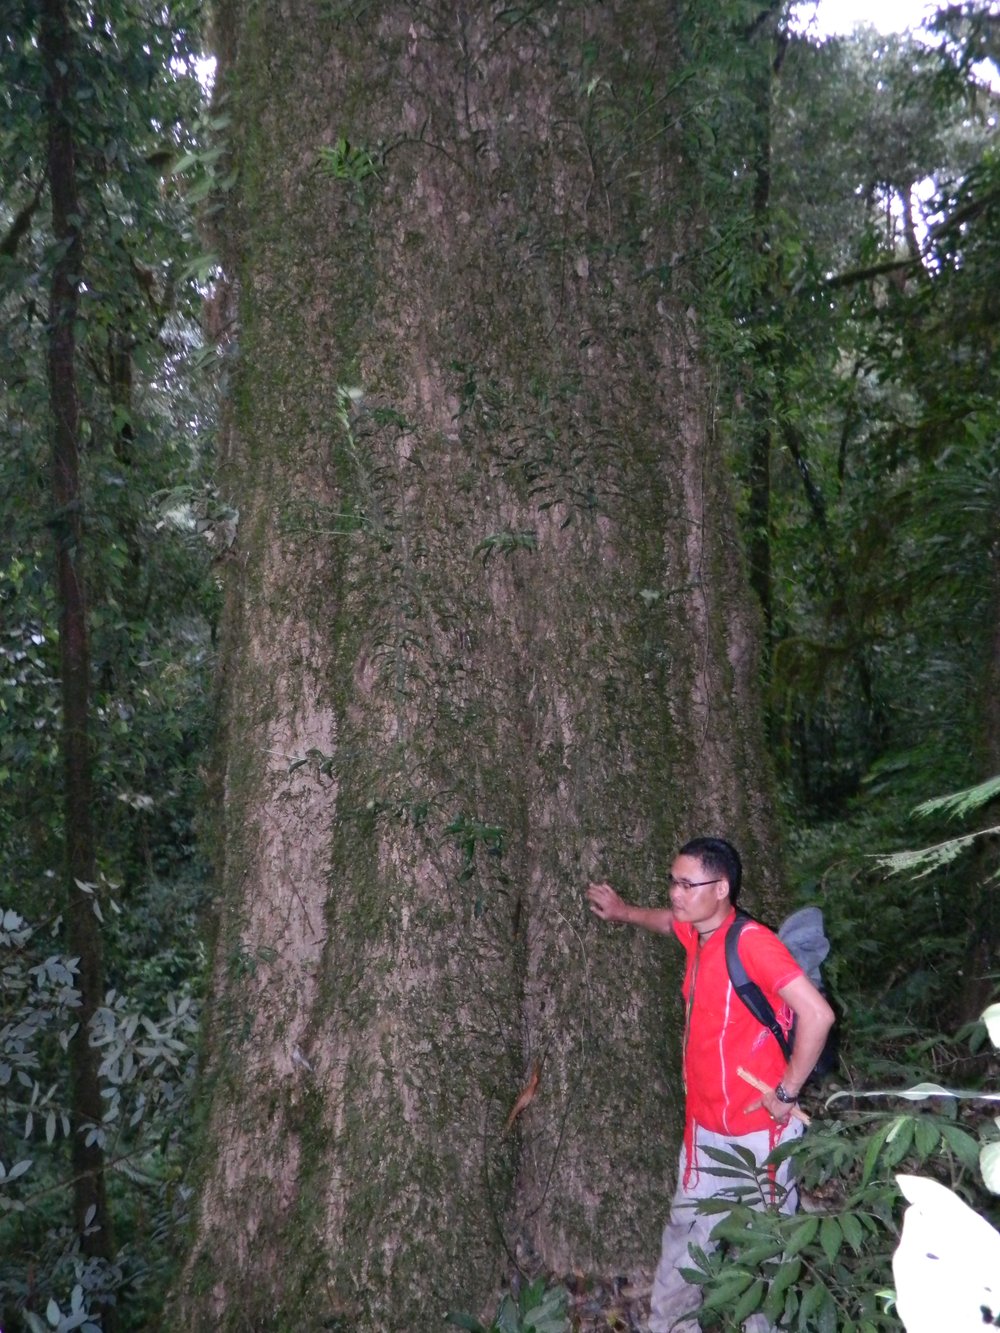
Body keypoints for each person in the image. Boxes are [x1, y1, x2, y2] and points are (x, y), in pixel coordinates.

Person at [586, 836, 835, 1333]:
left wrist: (786, 1092)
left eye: (686, 884)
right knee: (684, 1241)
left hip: (758, 1136)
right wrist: (621, 912)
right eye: (672, 882)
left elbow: (817, 1014)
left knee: (764, 1253)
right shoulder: (697, 934)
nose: (675, 894)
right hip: (702, 1133)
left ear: (720, 888)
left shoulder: (752, 944)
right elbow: (666, 921)